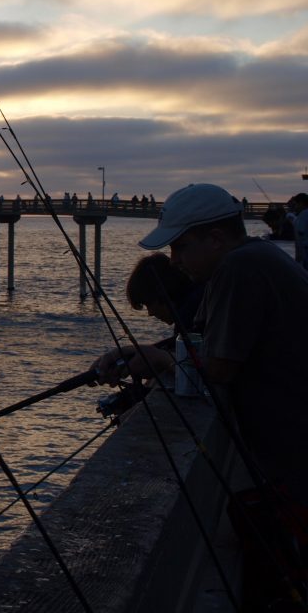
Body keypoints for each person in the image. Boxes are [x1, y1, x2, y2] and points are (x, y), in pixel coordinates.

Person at [100, 183, 308, 604]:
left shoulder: (240, 268)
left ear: (215, 238)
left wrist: (159, 363)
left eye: (180, 248)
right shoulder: (262, 258)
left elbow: (217, 369)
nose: (174, 262)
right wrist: (148, 351)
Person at [92, 252, 203, 382]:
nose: (150, 313)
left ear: (163, 292)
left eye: (149, 303)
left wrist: (157, 358)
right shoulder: (195, 302)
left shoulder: (190, 314)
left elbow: (198, 369)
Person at [289, 192, 308, 269]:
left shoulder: (303, 214)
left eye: (295, 204)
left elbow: (300, 232)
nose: (295, 208)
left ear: (301, 203)